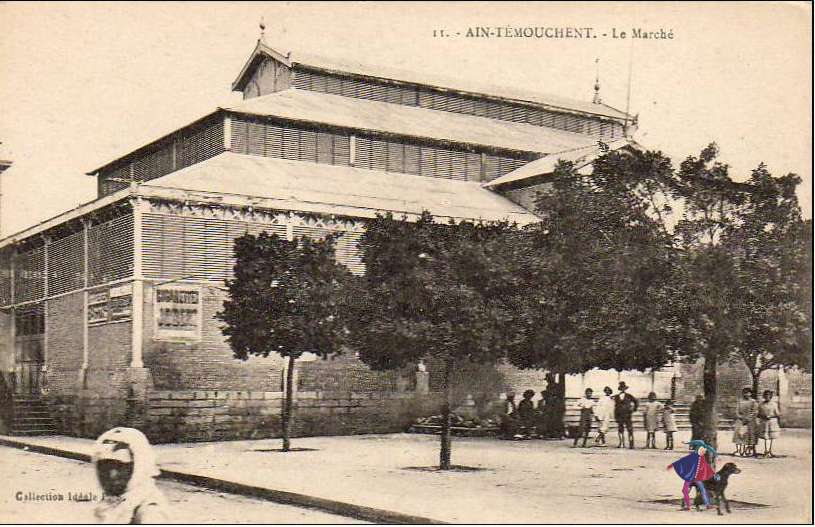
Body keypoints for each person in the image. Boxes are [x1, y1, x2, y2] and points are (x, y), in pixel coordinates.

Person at [93, 427, 168, 524]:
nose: (111, 475)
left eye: (119, 466)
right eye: (104, 466)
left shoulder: (149, 512)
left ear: (137, 467)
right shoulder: (114, 502)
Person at [666, 439, 717, 511]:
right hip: (690, 478)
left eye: (704, 450)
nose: (704, 451)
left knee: (701, 491)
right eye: (703, 449)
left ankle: (706, 505)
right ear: (698, 449)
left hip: (696, 478)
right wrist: (671, 465)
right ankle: (688, 506)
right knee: (686, 491)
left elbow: (706, 467)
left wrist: (713, 474)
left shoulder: (701, 458)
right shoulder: (693, 456)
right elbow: (681, 461)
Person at [613, 382, 638, 449]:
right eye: (621, 388)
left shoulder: (629, 396)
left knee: (630, 429)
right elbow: (615, 406)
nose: (622, 389)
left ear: (625, 388)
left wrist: (634, 409)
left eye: (623, 388)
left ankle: (631, 444)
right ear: (620, 389)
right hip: (619, 415)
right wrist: (615, 415)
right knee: (620, 429)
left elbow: (636, 401)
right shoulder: (616, 397)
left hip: (627, 415)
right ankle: (621, 443)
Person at [734, 387, 758, 457]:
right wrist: (740, 417)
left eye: (748, 393)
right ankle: (739, 451)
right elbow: (737, 411)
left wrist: (748, 418)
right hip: (740, 421)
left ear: (750, 394)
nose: (747, 394)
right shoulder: (740, 401)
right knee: (739, 435)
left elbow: (754, 412)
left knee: (748, 436)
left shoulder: (753, 402)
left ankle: (746, 451)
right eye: (745, 393)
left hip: (750, 421)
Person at [757, 390, 781, 457]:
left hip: (772, 422)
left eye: (768, 395)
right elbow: (758, 414)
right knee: (766, 437)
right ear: (764, 396)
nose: (767, 397)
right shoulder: (761, 404)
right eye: (766, 395)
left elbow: (778, 414)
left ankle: (769, 451)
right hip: (764, 423)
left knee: (770, 437)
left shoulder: (774, 404)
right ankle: (766, 451)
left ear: (771, 396)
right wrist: (763, 416)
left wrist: (771, 416)